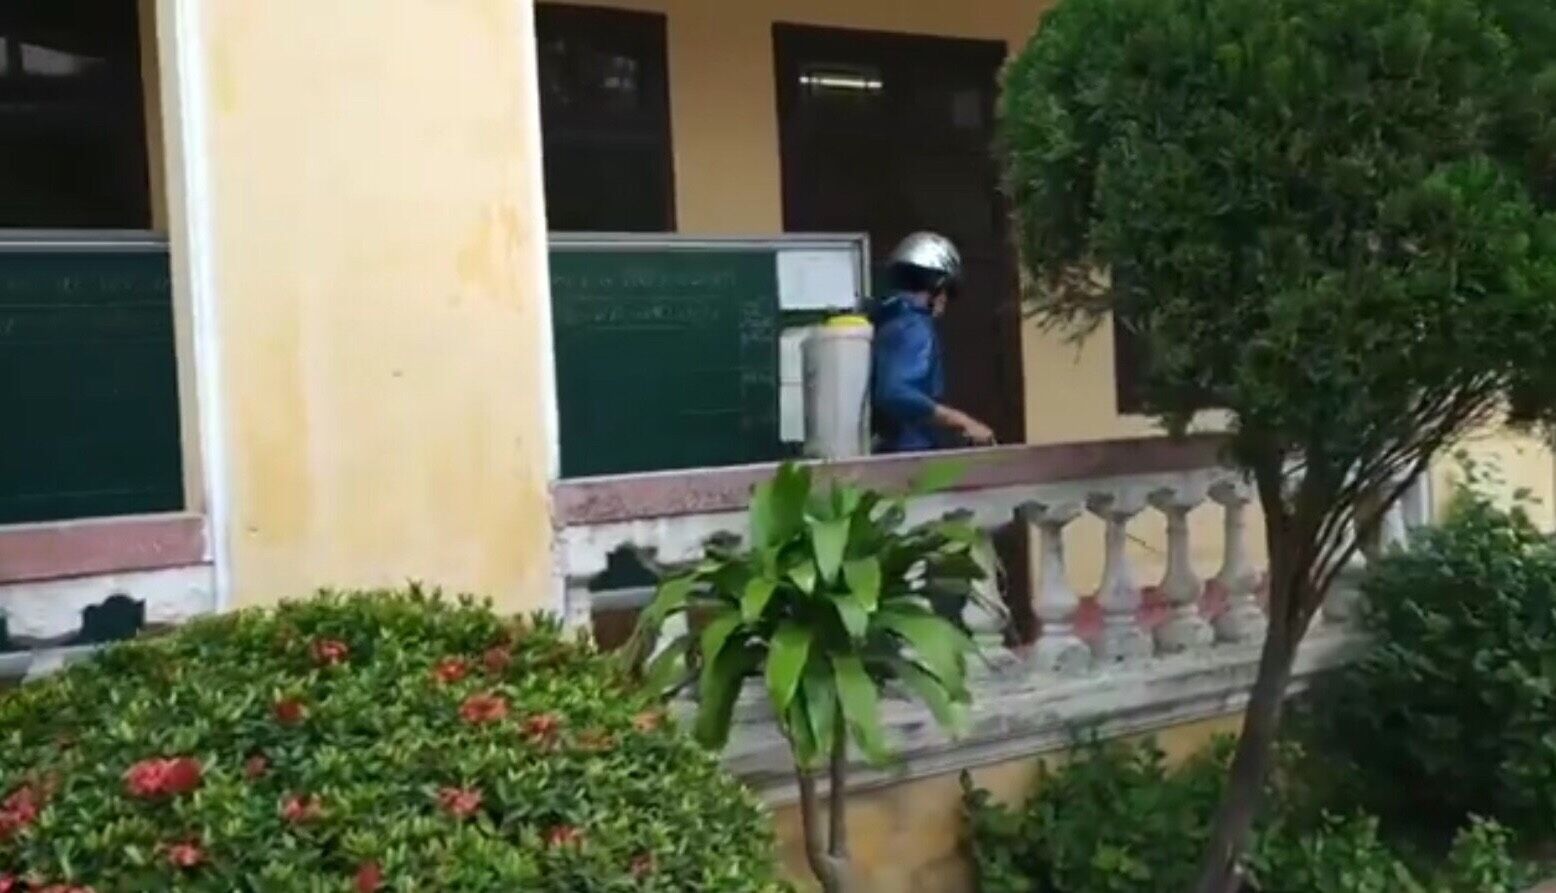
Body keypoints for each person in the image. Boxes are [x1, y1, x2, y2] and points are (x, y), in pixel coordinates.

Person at [870, 231, 996, 453]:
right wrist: (964, 422)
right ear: (936, 285)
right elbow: (896, 392)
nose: (946, 300)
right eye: (948, 291)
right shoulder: (914, 326)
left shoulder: (886, 322)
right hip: (911, 455)